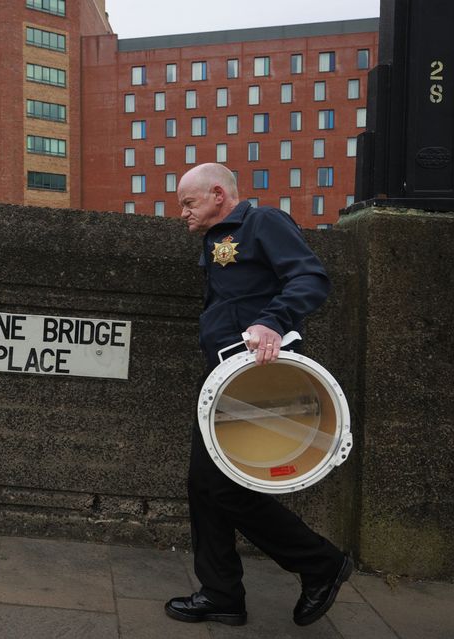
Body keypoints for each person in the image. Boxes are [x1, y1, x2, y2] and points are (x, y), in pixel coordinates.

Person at [165, 162, 353, 627]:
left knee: (225, 490)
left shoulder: (262, 222)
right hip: (223, 379)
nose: (183, 214)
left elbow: (311, 278)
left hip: (260, 380)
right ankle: (221, 594)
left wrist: (273, 319)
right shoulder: (215, 240)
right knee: (204, 487)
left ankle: (320, 563)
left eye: (188, 203)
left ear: (217, 195)